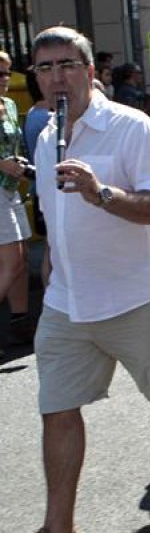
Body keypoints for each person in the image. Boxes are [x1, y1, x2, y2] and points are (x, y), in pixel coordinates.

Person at [0, 26, 150, 533]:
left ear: (90, 71)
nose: (56, 76)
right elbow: (55, 212)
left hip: (134, 295)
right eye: (45, 68)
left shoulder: (130, 126)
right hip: (68, 302)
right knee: (56, 407)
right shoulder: (44, 130)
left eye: (67, 65)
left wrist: (102, 193)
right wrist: (52, 266)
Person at [0, 51, 34, 353]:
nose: (5, 79)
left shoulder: (10, 105)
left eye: (7, 72)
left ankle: (20, 322)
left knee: (21, 262)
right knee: (9, 264)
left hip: (12, 188)